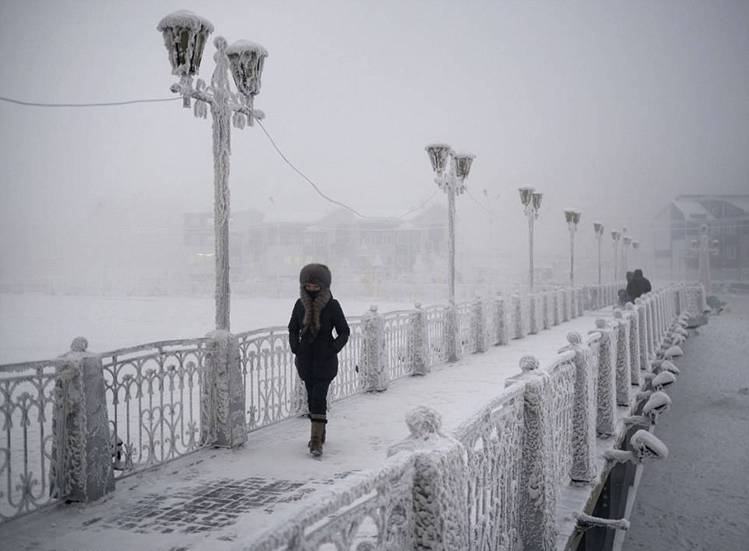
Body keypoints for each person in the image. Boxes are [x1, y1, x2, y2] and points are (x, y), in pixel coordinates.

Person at [288, 263, 350, 457]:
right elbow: (292, 328)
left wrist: (332, 348)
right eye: (308, 286)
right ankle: (320, 432)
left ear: (324, 285)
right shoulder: (299, 305)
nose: (312, 289)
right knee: (310, 398)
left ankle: (316, 442)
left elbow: (344, 331)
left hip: (325, 360)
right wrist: (296, 348)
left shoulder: (333, 305)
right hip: (306, 360)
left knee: (319, 398)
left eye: (316, 286)